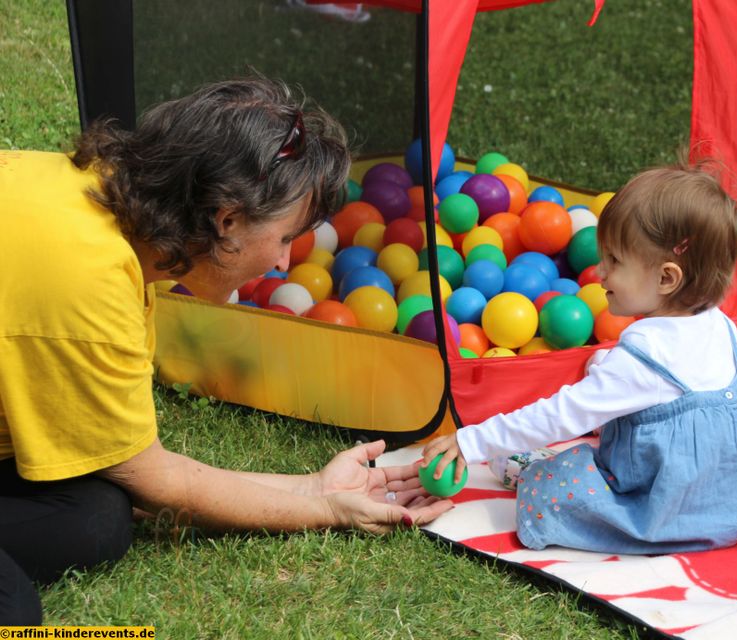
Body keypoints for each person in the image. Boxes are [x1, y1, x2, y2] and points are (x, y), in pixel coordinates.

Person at [0, 78, 452, 624]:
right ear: (227, 219)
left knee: (95, 519)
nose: (285, 263)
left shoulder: (98, 200)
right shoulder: (87, 281)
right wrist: (326, 510)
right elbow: (153, 478)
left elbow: (126, 467)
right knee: (16, 617)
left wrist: (314, 486)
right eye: (285, 237)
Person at [422, 162, 737, 554]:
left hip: (672, 506)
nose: (599, 272)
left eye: (614, 261)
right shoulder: (718, 324)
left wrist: (474, 441)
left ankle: (542, 478)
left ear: (667, 278)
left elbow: (560, 415)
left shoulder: (642, 358)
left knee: (557, 486)